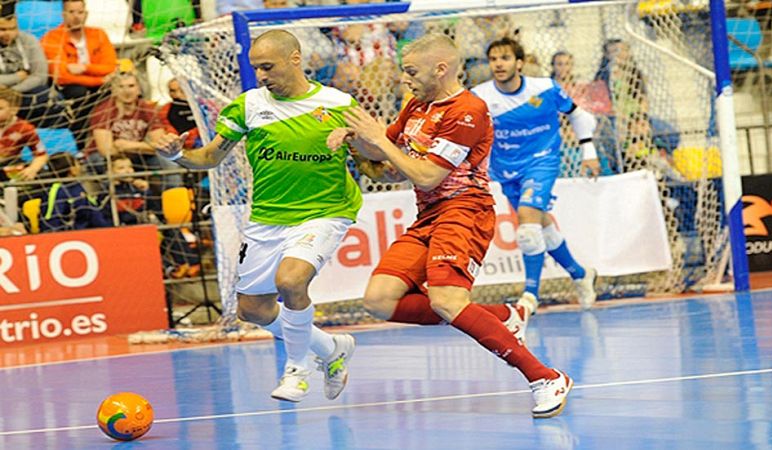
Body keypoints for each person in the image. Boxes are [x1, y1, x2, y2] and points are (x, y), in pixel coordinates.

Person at [333, 33, 573, 419]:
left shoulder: (467, 110)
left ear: (440, 68)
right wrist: (352, 139)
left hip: (465, 211)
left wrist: (379, 140)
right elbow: (387, 159)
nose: (404, 79)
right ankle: (501, 316)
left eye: (411, 71)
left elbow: (426, 175)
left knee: (447, 300)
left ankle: (544, 377)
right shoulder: (415, 106)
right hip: (428, 216)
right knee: (378, 300)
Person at [154, 29, 359, 403]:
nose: (261, 75)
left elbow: (371, 155)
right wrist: (175, 155)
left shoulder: (339, 103)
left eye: (268, 66)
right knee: (254, 310)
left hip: (325, 211)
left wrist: (355, 139)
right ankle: (331, 349)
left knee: (291, 282)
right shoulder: (248, 106)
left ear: (295, 58)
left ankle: (296, 371)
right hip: (267, 217)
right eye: (256, 68)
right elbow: (210, 157)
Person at [471, 38, 599, 311]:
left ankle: (530, 296)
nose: (498, 64)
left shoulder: (545, 88)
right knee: (540, 223)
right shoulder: (479, 96)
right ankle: (580, 273)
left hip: (542, 161)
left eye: (504, 58)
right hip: (505, 170)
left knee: (528, 228)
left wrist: (589, 152)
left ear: (519, 63)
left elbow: (581, 117)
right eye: (493, 59)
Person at [40, 0, 118, 149]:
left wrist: (83, 68)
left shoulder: (98, 34)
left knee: (115, 90)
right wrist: (99, 79)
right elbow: (61, 76)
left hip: (97, 85)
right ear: (63, 15)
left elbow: (110, 67)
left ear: (86, 14)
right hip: (70, 87)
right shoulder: (52, 37)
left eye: (80, 12)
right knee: (80, 94)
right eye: (71, 12)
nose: (76, 17)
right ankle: (82, 145)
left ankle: (105, 140)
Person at [39, 152, 110, 232]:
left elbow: (92, 209)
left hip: (95, 230)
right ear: (72, 170)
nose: (80, 167)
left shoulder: (77, 185)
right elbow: (51, 220)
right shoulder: (56, 191)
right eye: (77, 164)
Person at [0, 87, 47, 182]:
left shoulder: (25, 128)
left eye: (0, 108)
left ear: (14, 110)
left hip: (7, 168)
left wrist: (32, 169)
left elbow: (42, 155)